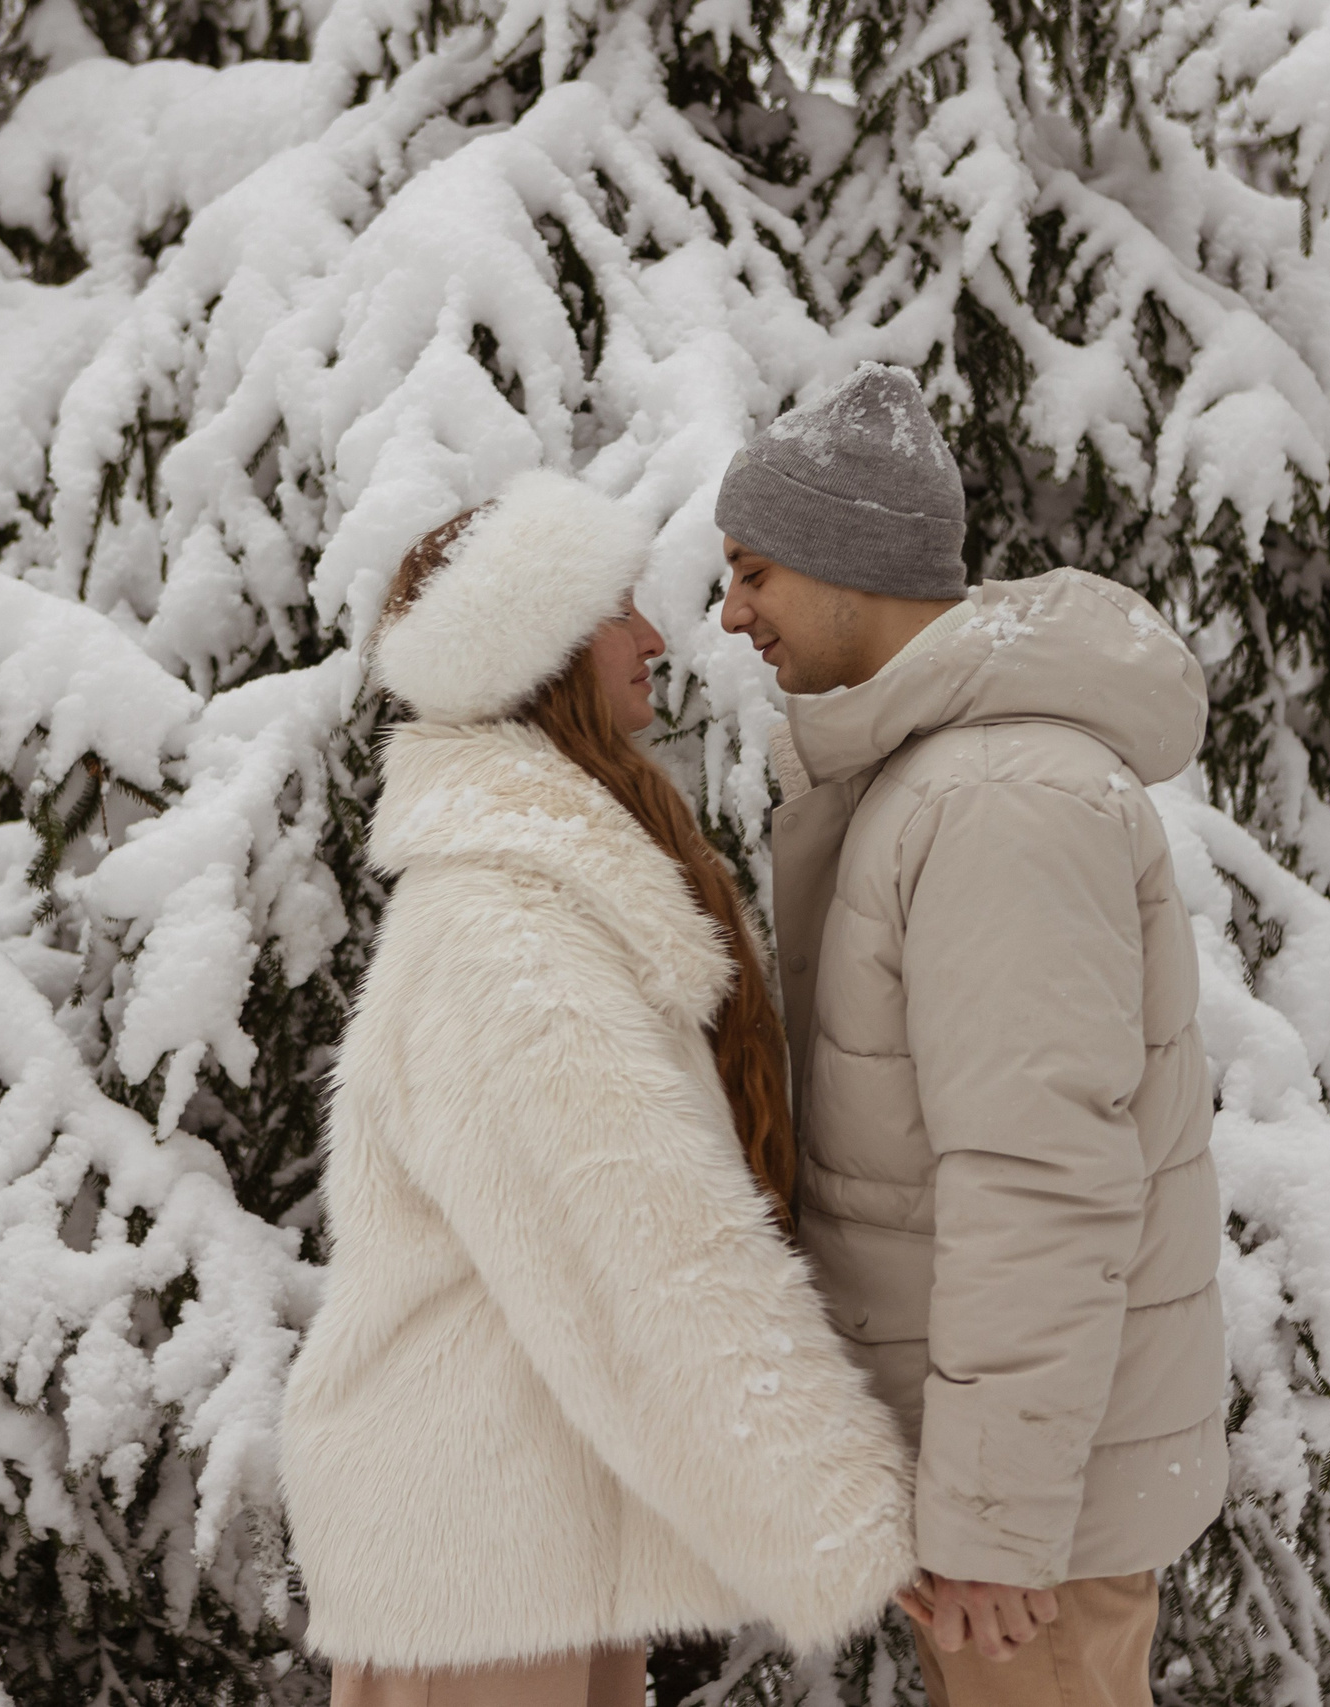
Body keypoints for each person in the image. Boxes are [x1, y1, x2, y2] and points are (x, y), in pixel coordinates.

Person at [280, 468, 916, 1707]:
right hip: (474, 1549)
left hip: (532, 1530)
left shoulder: (548, 890)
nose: (654, 637)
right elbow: (641, 1246)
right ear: (542, 652)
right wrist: (837, 1516)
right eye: (617, 609)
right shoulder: (503, 929)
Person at [713, 364, 1228, 1707]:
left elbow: (1040, 1180)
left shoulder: (999, 795)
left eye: (755, 571)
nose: (730, 613)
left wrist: (996, 1524)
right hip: (1009, 1496)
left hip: (1029, 1531)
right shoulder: (941, 775)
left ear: (850, 566)